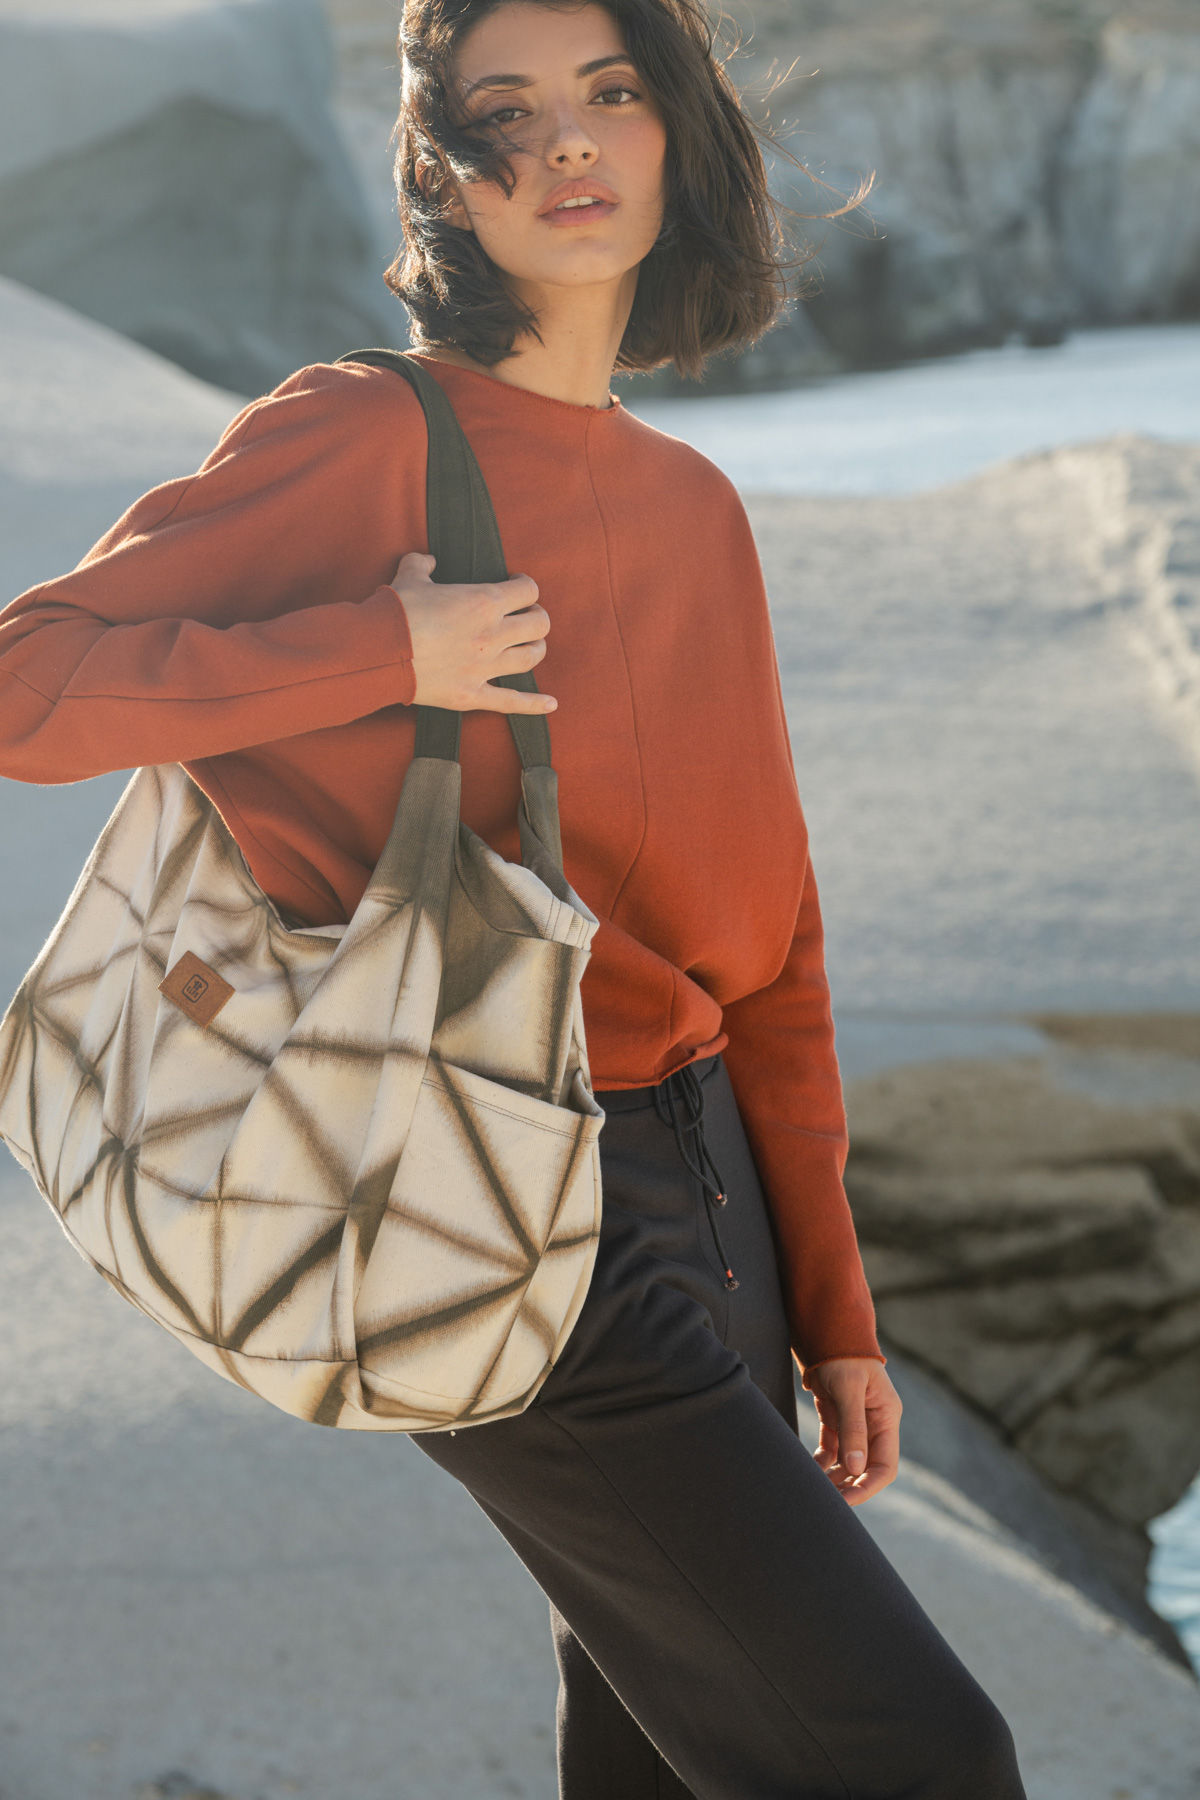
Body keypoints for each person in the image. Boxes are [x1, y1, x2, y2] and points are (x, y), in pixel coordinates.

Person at [0, 1, 1029, 1794]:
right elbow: (28, 687)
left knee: (649, 1770)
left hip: (715, 1213)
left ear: (672, 138)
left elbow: (771, 953)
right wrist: (378, 647)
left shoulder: (696, 506)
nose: (567, 144)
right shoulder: (361, 435)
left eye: (610, 96)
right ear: (445, 178)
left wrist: (841, 1311)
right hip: (478, 1186)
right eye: (509, 113)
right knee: (919, 1753)